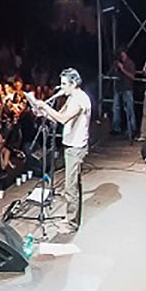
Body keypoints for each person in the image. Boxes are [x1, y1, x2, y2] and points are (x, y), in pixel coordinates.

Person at [26, 68, 91, 234]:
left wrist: (44, 107)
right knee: (73, 184)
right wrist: (41, 111)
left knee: (71, 187)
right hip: (71, 145)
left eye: (64, 84)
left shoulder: (79, 100)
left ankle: (71, 224)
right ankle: (72, 218)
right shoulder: (71, 98)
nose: (61, 87)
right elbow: (56, 116)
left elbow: (63, 119)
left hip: (76, 148)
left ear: (73, 84)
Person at [111, 49, 137, 139]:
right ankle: (116, 128)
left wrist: (122, 69)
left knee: (129, 109)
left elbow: (132, 76)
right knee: (116, 108)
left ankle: (132, 129)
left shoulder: (130, 63)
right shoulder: (117, 63)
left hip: (127, 88)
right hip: (118, 88)